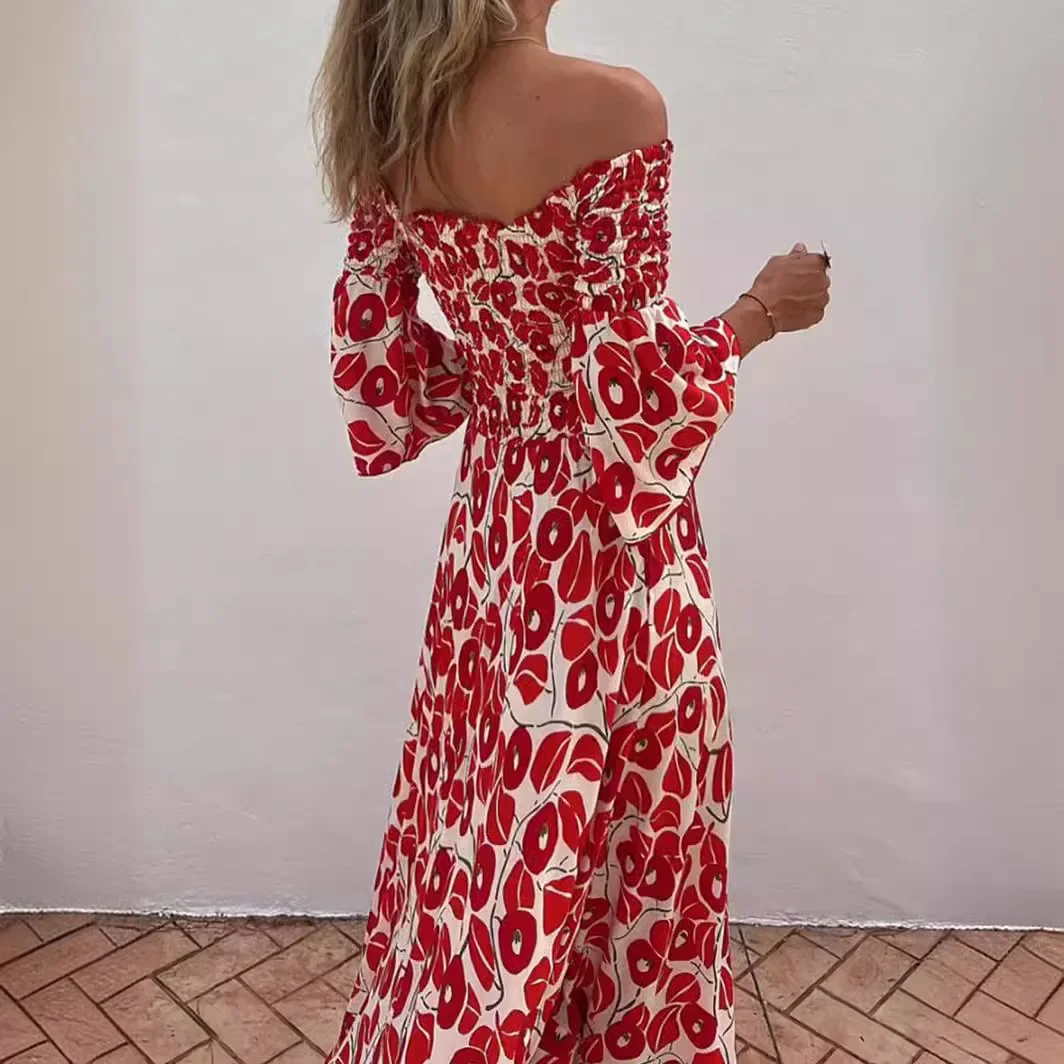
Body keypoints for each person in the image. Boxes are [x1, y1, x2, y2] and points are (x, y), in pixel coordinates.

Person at [314, 1, 830, 1061]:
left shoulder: (396, 118)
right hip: (613, 550)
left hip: (494, 547)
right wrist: (761, 309)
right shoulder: (616, 108)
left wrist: (509, 371)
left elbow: (380, 375)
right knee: (639, 841)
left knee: (490, 833)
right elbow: (630, 391)